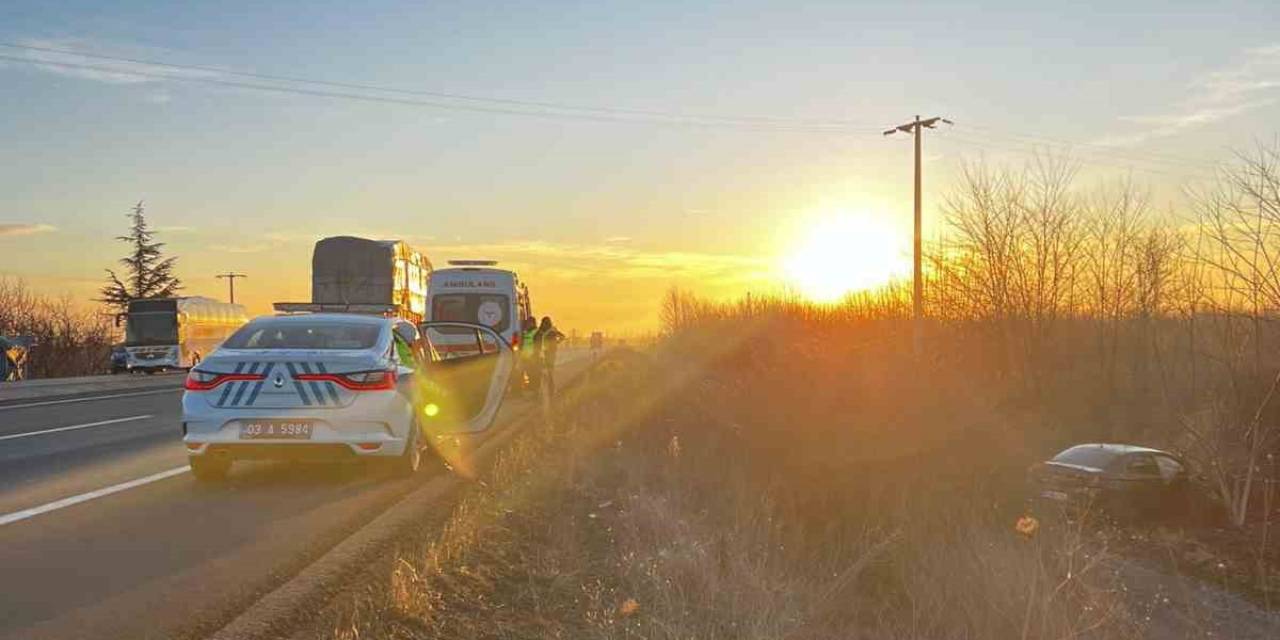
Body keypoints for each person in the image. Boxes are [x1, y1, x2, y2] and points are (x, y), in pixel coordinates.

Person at [534, 316, 566, 398]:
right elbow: (562, 337)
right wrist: (556, 343)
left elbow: (535, 341)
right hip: (548, 353)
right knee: (547, 372)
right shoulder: (551, 331)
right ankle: (549, 390)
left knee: (546, 372)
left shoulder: (541, 331)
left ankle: (547, 390)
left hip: (545, 353)